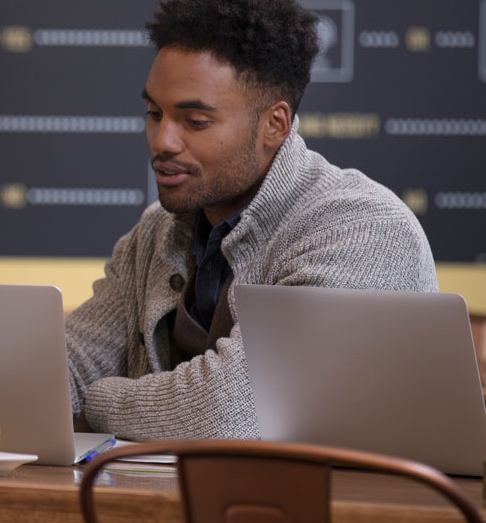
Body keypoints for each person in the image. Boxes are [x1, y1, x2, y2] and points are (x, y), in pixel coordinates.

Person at [67, 0, 437, 441]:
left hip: (338, 509)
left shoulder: (364, 230)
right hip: (181, 505)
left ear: (275, 124)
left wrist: (98, 403)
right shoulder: (154, 233)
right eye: (154, 114)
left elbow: (229, 414)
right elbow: (66, 366)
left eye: (195, 121)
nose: (162, 140)